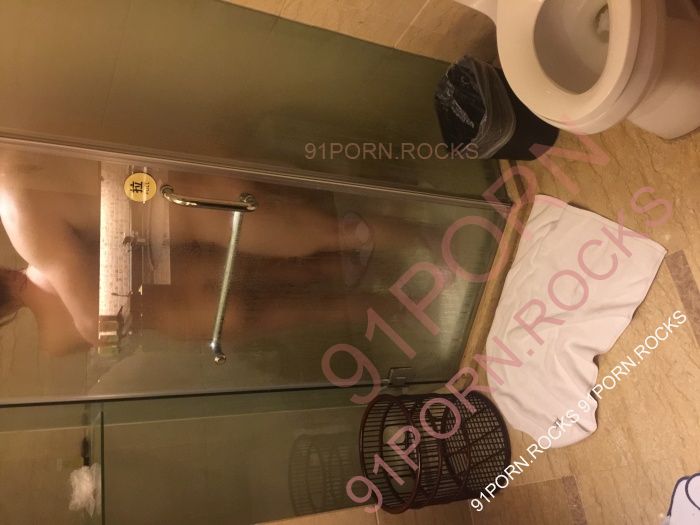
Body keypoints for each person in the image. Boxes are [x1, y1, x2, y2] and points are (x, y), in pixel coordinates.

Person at [0, 151, 412, 355]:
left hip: (191, 314)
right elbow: (98, 319)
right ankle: (429, 245)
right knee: (336, 235)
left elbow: (105, 329)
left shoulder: (53, 331)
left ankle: (402, 306)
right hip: (202, 217)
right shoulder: (24, 209)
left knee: (320, 302)